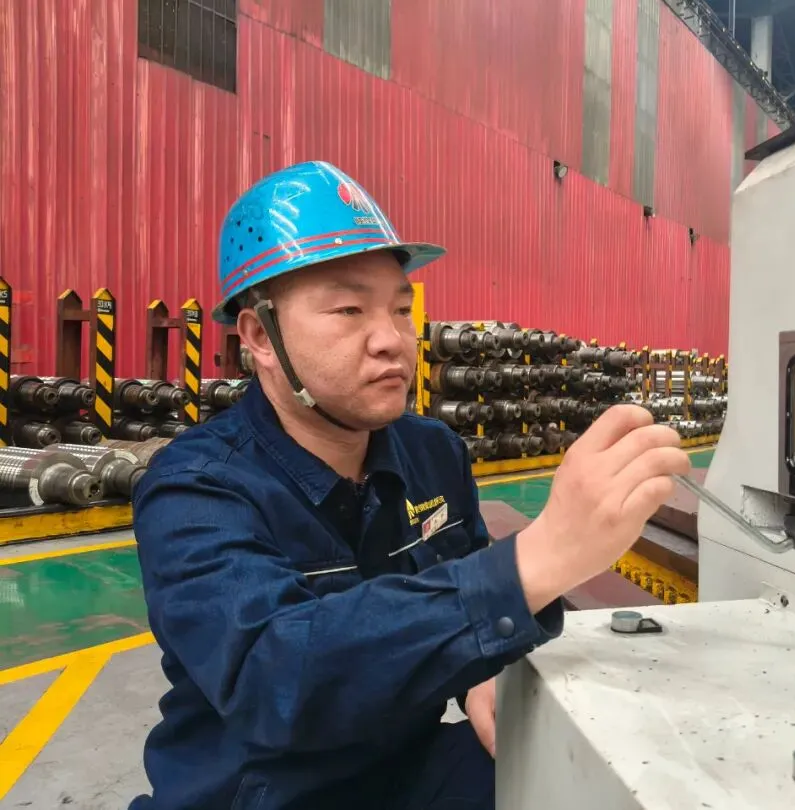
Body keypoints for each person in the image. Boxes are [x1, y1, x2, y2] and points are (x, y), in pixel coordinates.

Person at [130, 160, 690, 810]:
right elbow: (276, 679)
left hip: (405, 770)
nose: (392, 340)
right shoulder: (196, 489)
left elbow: (465, 591)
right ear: (259, 335)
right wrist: (538, 560)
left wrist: (488, 670)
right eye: (349, 309)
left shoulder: (432, 453)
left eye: (401, 308)